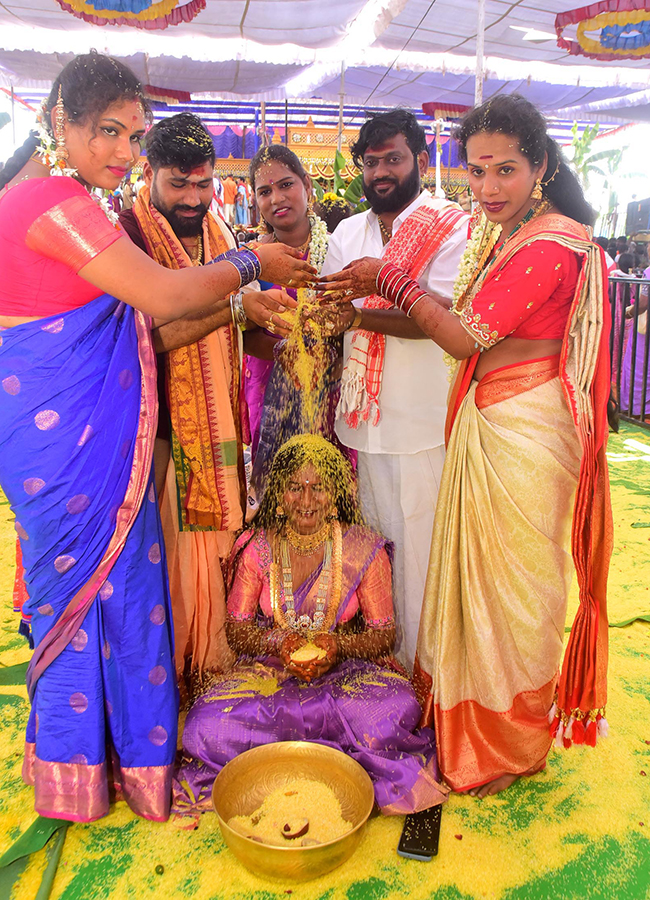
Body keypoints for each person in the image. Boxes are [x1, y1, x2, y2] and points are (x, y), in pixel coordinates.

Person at [0, 52, 315, 823]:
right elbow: (166, 294)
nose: (122, 151)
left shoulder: (70, 205)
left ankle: (125, 771)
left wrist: (239, 311)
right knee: (87, 605)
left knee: (124, 598)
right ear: (58, 124)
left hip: (86, 443)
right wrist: (250, 263)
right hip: (68, 447)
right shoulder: (50, 203)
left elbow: (148, 327)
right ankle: (82, 776)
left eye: (132, 135)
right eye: (106, 131)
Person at [321, 93, 612, 798]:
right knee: (485, 582)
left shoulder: (549, 243)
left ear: (539, 165)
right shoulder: (513, 233)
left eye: (504, 170)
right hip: (495, 418)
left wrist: (387, 278)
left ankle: (505, 738)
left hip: (523, 431)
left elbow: (460, 335)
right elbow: (473, 319)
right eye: (477, 171)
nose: (486, 188)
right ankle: (475, 718)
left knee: (516, 589)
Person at [173, 434, 447, 816]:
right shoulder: (258, 548)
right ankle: (333, 755)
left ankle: (282, 756)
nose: (306, 501)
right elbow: (237, 630)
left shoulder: (362, 548)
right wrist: (278, 644)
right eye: (295, 488)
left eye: (317, 488)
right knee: (205, 724)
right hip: (270, 676)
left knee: (396, 707)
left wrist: (339, 647)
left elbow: (383, 635)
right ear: (280, 496)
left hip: (348, 676)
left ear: (334, 493)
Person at [319, 109, 468, 669]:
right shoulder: (348, 232)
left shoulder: (448, 225)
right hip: (362, 422)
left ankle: (427, 672)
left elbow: (445, 318)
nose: (381, 171)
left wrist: (360, 316)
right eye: (372, 161)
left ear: (421, 162)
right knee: (375, 551)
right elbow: (334, 306)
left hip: (423, 421)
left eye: (394, 159)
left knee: (424, 558)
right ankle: (383, 668)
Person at [118, 113, 251, 682]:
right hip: (154, 424)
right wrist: (238, 306)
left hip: (218, 419)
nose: (194, 197)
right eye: (179, 183)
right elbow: (147, 338)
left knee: (214, 544)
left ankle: (210, 659)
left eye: (203, 183)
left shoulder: (221, 233)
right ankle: (169, 672)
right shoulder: (127, 234)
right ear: (149, 172)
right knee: (163, 554)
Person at [244, 144, 341, 499]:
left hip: (330, 385)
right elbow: (242, 334)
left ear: (307, 187)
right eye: (265, 191)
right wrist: (288, 354)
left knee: (328, 493)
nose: (276, 198)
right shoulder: (250, 259)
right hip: (268, 386)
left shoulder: (337, 248)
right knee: (277, 496)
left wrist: (328, 361)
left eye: (286, 185)